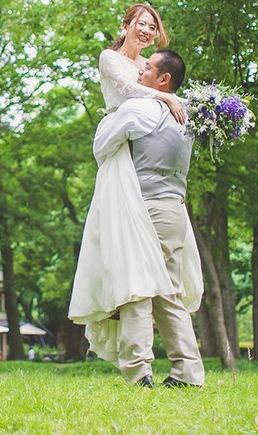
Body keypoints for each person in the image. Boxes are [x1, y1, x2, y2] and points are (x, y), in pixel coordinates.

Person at [70, 48, 204, 388]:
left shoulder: (137, 109)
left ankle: (138, 370)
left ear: (164, 79)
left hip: (144, 209)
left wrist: (110, 117)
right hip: (176, 210)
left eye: (148, 68)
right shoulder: (190, 115)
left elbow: (102, 147)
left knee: (137, 288)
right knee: (169, 293)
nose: (139, 72)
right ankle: (188, 372)